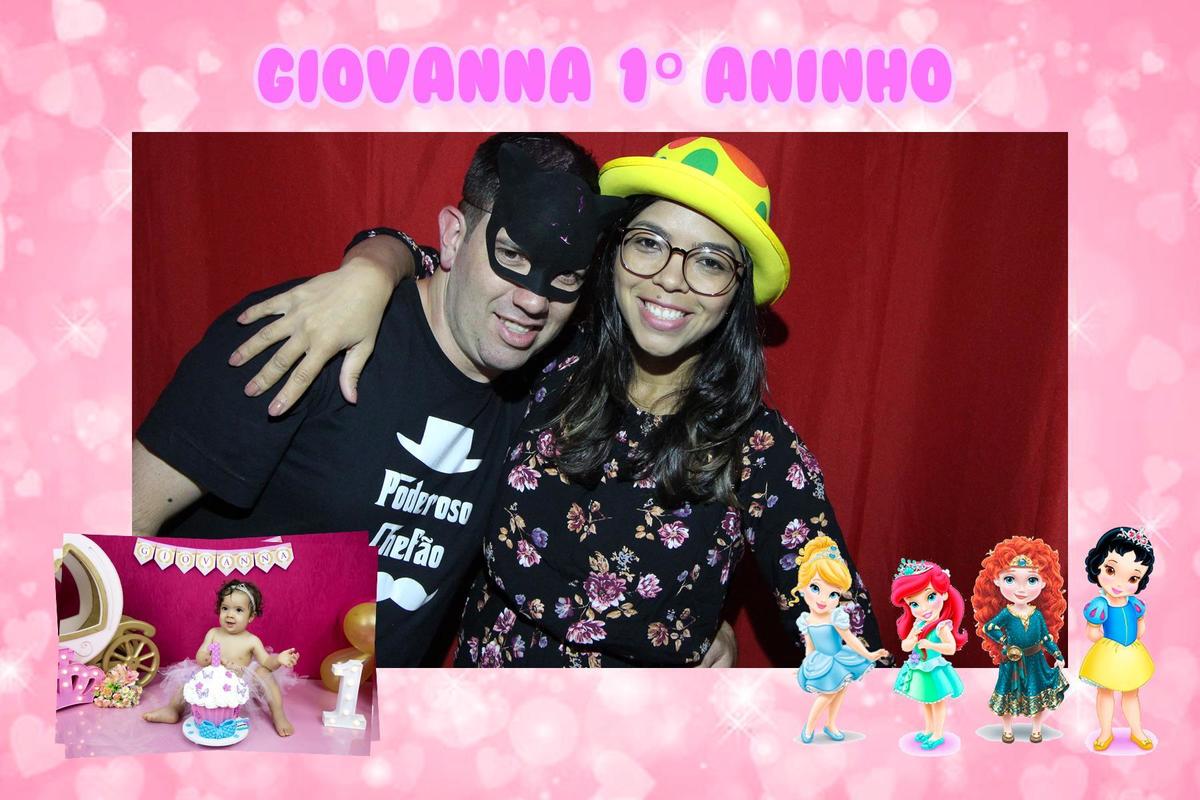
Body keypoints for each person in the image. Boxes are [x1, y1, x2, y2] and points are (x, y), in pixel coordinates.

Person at [234, 136, 885, 667]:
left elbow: (851, 649)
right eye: (649, 243)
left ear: (736, 291)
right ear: (613, 254)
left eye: (710, 261)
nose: (670, 279)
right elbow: (456, 273)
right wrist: (372, 267)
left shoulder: (762, 451)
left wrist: (701, 630)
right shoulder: (540, 363)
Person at [133, 134, 624, 666]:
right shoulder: (309, 332)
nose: (532, 300)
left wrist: (382, 255)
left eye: (566, 275)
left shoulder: (549, 391)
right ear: (453, 237)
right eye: (510, 255)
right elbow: (124, 521)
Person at [143, 580, 300, 736]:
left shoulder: (251, 640)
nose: (230, 614)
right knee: (189, 679)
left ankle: (279, 715)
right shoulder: (213, 633)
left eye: (238, 610)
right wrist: (208, 659)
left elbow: (266, 662)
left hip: (239, 682)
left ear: (251, 617)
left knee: (265, 673)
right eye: (225, 608)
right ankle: (173, 709)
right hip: (212, 679)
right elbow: (200, 655)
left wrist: (278, 659)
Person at [790, 535, 889, 742]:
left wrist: (868, 654)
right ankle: (809, 727)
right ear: (803, 586)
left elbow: (850, 639)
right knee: (827, 694)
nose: (823, 599)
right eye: (815, 588)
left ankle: (831, 724)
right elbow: (809, 646)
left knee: (840, 690)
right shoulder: (806, 620)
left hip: (839, 658)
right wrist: (806, 665)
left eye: (833, 594)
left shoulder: (836, 617)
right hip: (821, 662)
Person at [970, 536, 1068, 744]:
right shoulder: (1006, 613)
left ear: (1044, 582)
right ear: (996, 580)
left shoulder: (1037, 615)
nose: (1021, 589)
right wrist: (1005, 642)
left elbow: (1045, 638)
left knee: (1038, 695)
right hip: (1012, 661)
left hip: (1036, 661)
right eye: (1010, 579)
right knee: (1007, 695)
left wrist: (1057, 654)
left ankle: (1036, 729)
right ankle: (1007, 729)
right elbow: (989, 627)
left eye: (1031, 580)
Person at [1079, 526, 1155, 751]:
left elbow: (1140, 626)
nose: (1120, 584)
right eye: (1111, 571)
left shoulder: (1135, 604)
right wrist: (1098, 634)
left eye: (1133, 578)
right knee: (1105, 692)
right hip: (1110, 654)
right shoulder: (1100, 605)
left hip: (1131, 652)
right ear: (1098, 565)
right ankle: (1105, 732)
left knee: (1131, 693)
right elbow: (1092, 633)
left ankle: (1137, 731)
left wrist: (1138, 630)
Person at [890, 559, 966, 750]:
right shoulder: (918, 624)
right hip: (920, 667)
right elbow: (906, 646)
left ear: (944, 594)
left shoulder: (941, 627)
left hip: (934, 668)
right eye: (914, 604)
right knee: (926, 700)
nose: (923, 608)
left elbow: (950, 648)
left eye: (930, 597)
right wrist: (913, 638)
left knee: (937, 702)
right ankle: (929, 729)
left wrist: (930, 644)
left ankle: (938, 733)